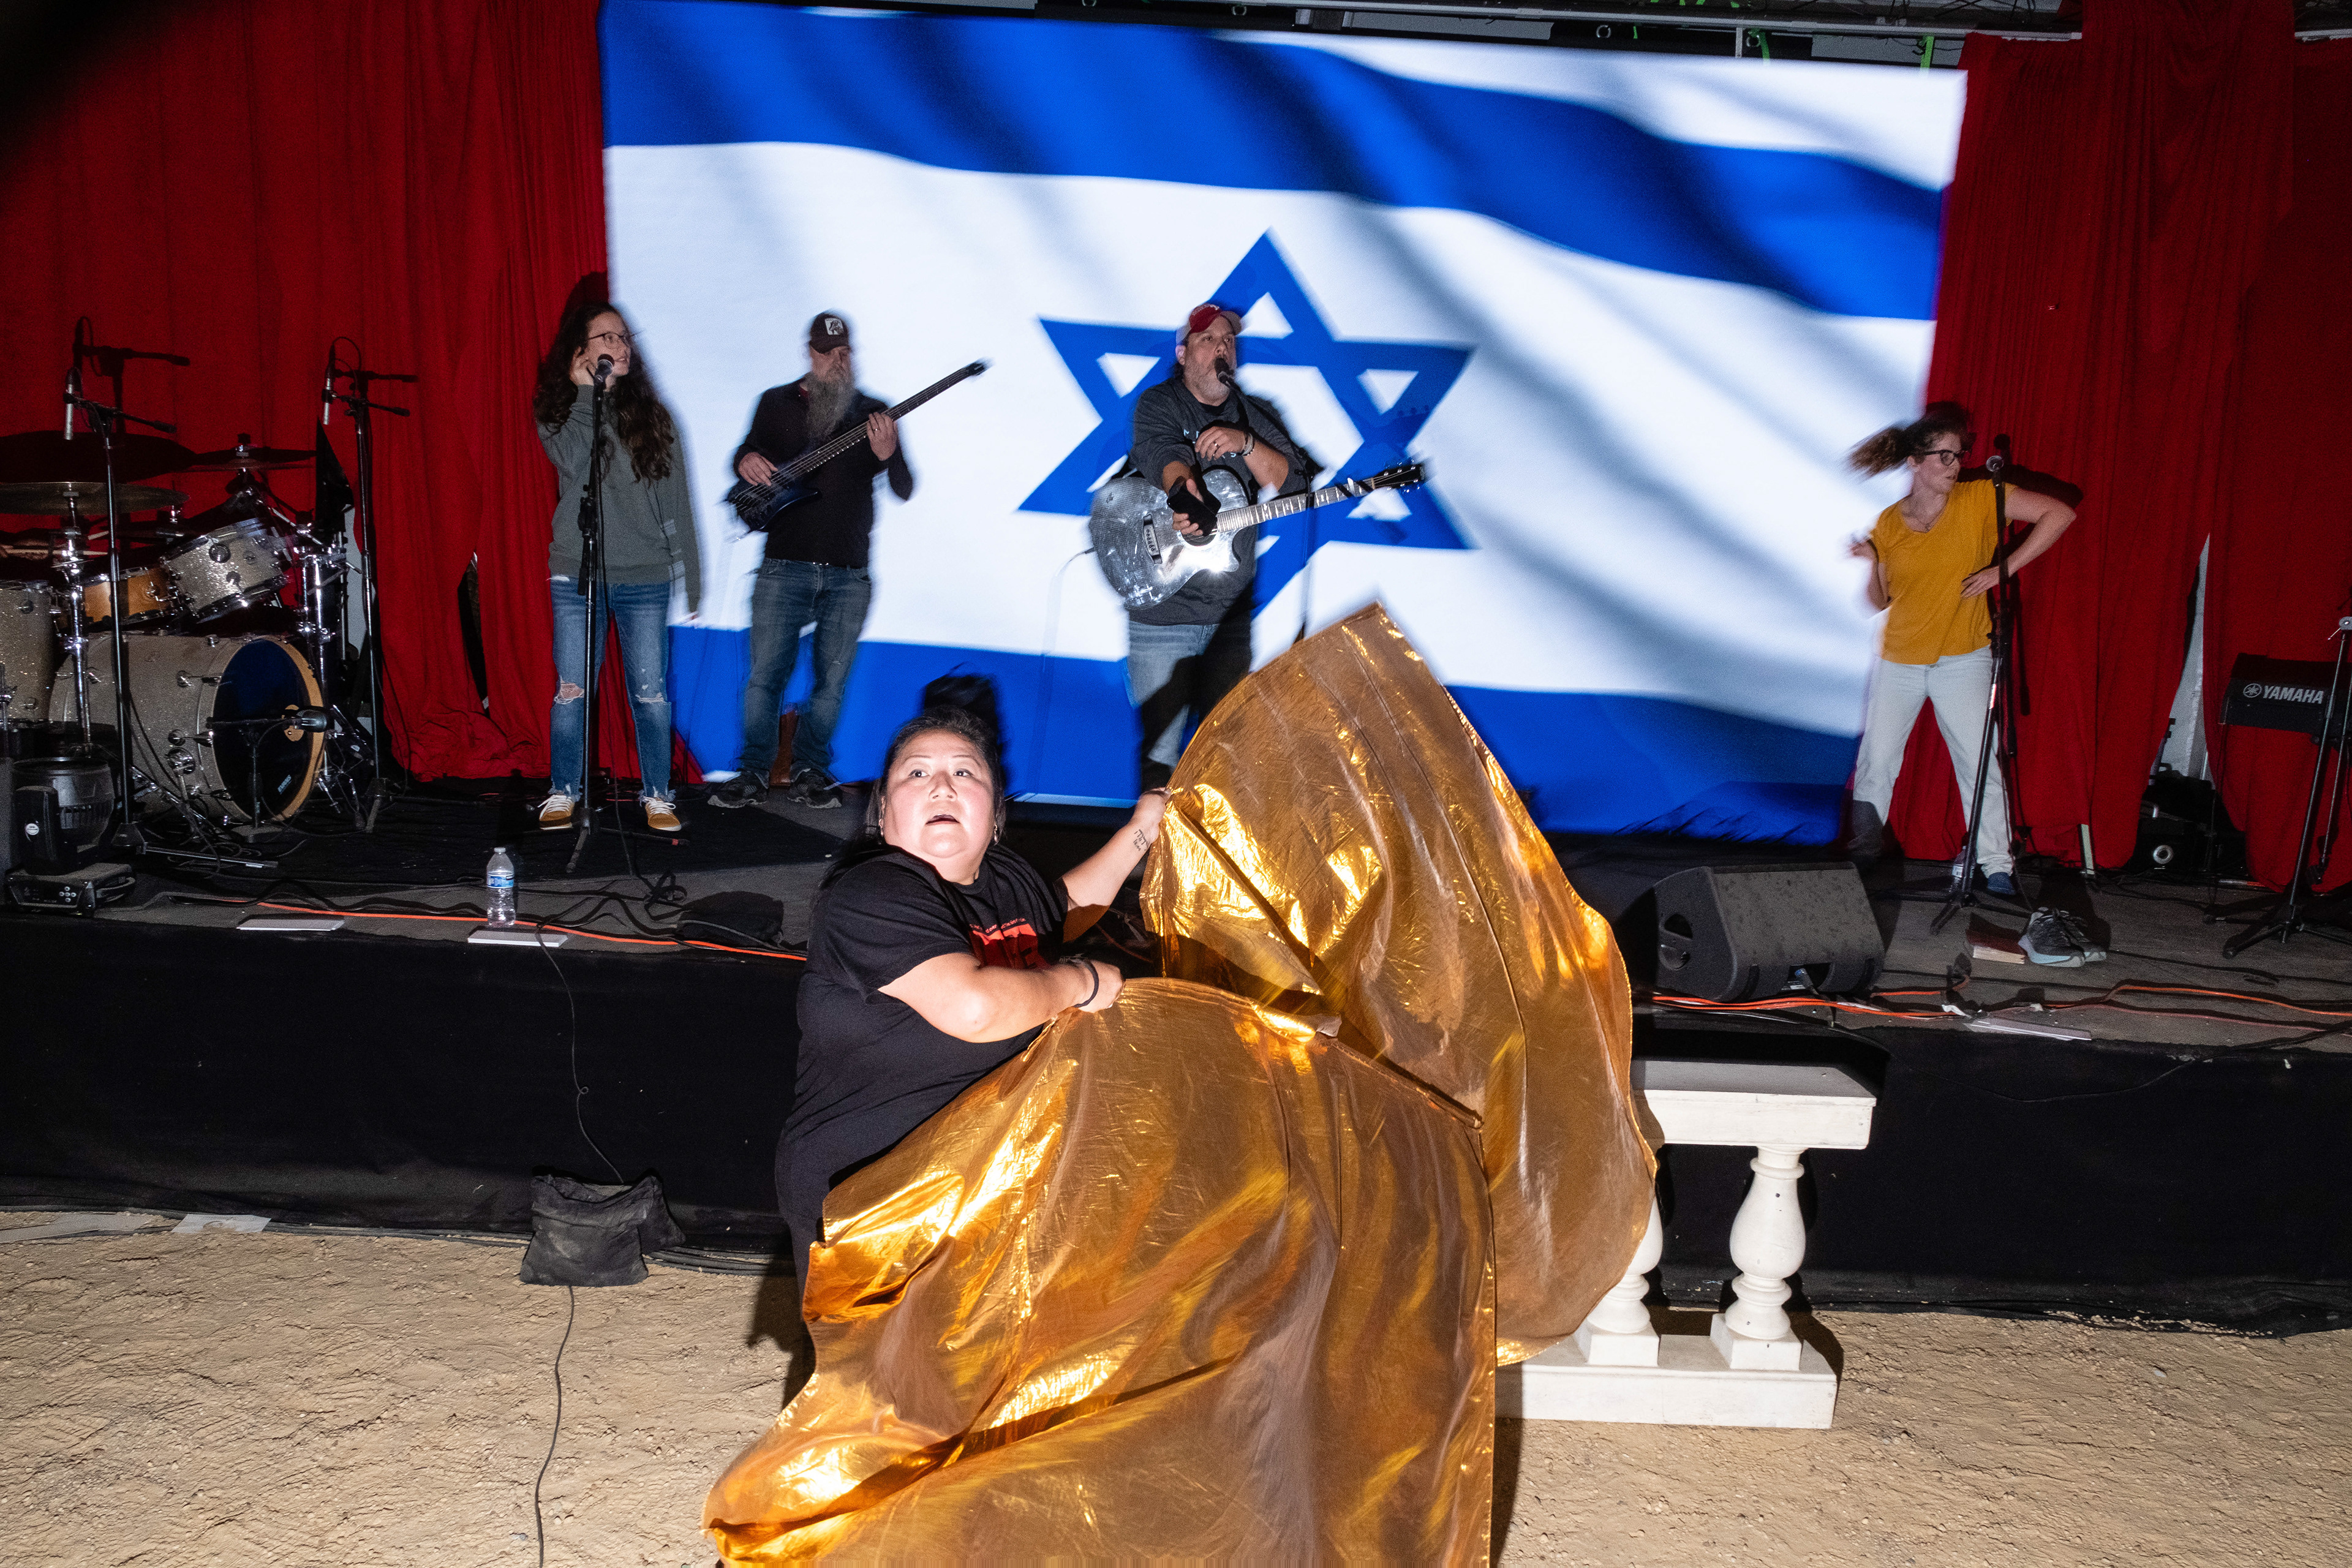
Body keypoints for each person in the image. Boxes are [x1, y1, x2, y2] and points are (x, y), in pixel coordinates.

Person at [778, 706, 1164, 1297]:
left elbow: (1063, 909)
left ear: (995, 812)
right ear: (883, 815)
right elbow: (973, 1010)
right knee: (887, 1383)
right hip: (872, 1194)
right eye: (916, 774)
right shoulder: (870, 893)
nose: (941, 784)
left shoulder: (1005, 879)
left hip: (981, 1179)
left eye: (965, 773)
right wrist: (1080, 984)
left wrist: (1145, 828)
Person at [1845, 402, 2074, 894]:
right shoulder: (1888, 522)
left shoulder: (1980, 499)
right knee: (1877, 760)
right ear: (1914, 462)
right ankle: (1861, 854)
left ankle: (1997, 864)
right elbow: (1878, 602)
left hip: (1963, 657)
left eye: (1958, 455)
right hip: (1899, 659)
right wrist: (1871, 562)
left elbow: (2060, 513)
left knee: (1978, 760)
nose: (1954, 465)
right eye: (1943, 457)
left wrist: (2003, 568)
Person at [709, 313, 913, 812]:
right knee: (765, 676)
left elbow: (905, 487)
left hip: (849, 571)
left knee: (832, 679)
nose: (838, 362)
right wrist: (744, 460)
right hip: (784, 564)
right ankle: (753, 771)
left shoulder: (873, 413)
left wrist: (887, 455)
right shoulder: (776, 403)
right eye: (828, 353)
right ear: (810, 353)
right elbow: (744, 456)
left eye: (845, 352)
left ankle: (810, 769)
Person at [1123, 302, 1310, 790]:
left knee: (1228, 764)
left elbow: (1293, 488)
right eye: (1208, 340)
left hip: (1229, 619)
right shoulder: (1160, 404)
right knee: (1160, 764)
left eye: (1229, 340)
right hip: (1164, 617)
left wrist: (1246, 443)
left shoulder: (1254, 415)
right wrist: (1189, 498)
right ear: (1184, 354)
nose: (1222, 347)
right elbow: (1168, 458)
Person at [531, 300, 701, 834]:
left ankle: (657, 794)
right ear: (580, 351)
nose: (621, 347)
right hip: (576, 573)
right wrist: (587, 395)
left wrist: (689, 575)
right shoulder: (559, 409)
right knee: (572, 691)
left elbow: (678, 502)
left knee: (650, 695)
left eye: (625, 337)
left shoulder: (654, 415)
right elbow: (571, 460)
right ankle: (564, 791)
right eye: (607, 338)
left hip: (645, 575)